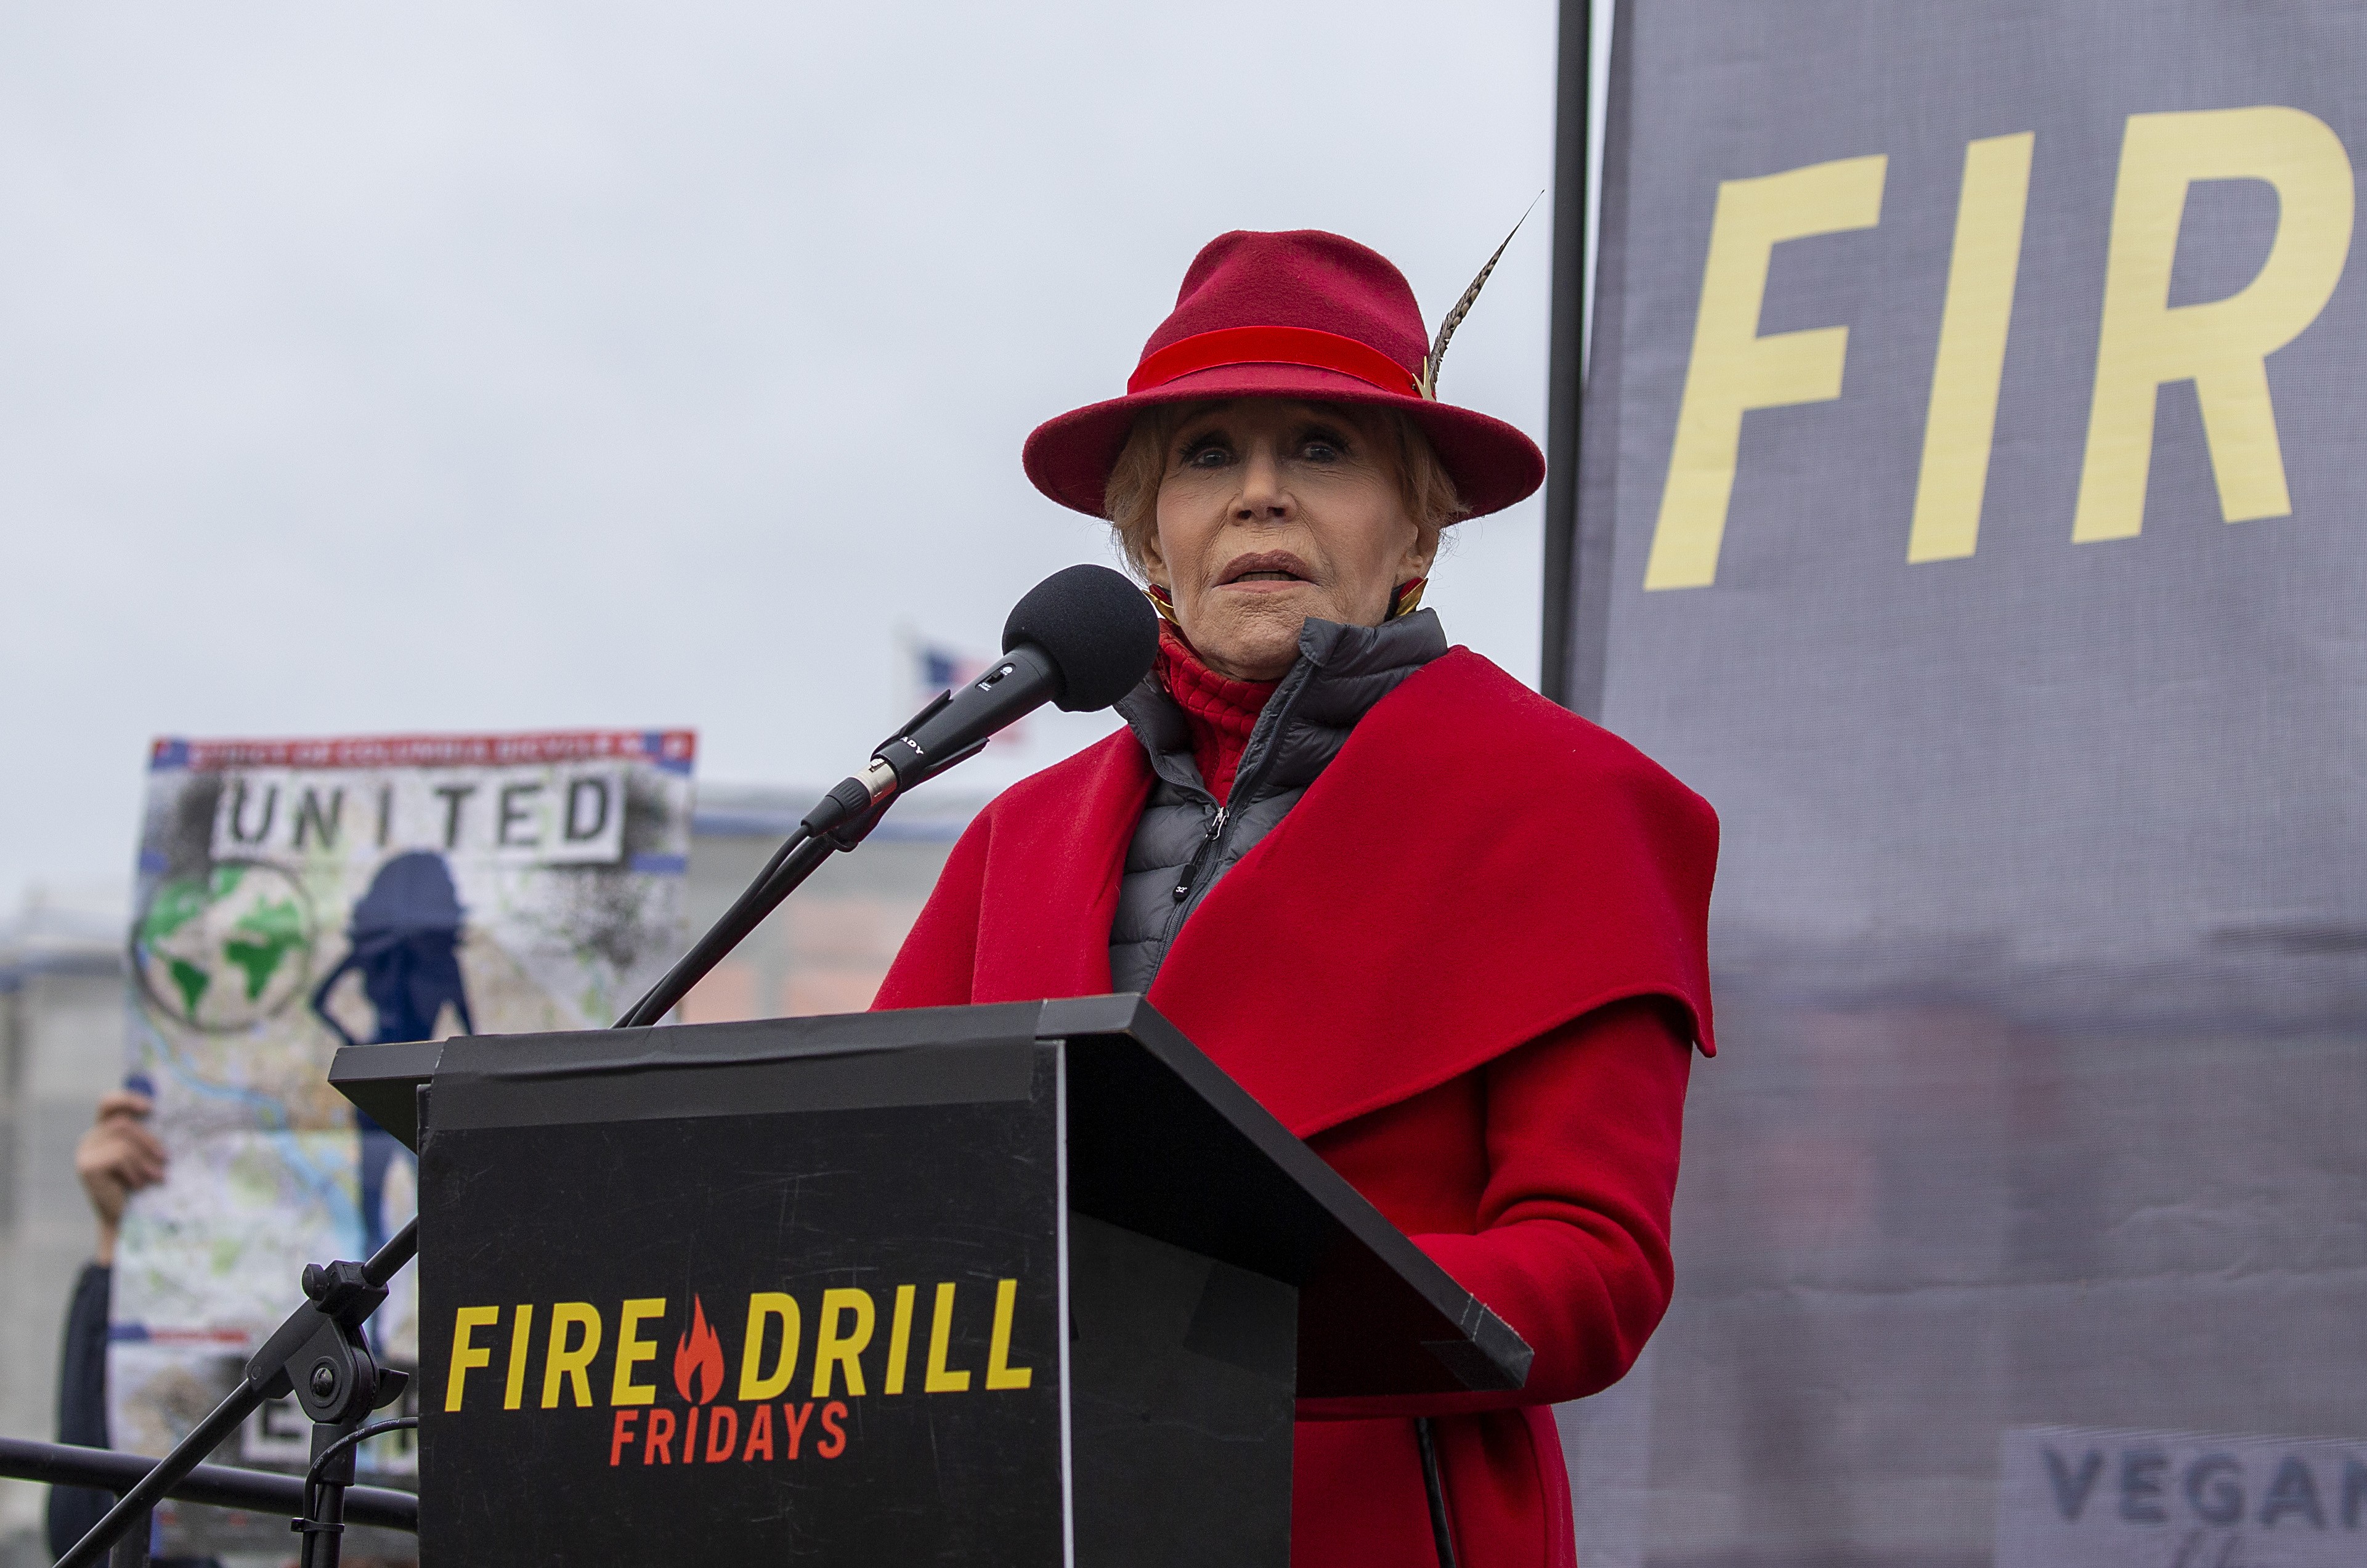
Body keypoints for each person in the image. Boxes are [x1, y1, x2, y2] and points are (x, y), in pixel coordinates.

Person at [872, 229, 1718, 1567]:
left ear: (1417, 528)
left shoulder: (1574, 807)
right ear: (1150, 537)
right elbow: (865, 1194)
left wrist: (1203, 1316)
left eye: (1320, 448)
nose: (1260, 495)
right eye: (1208, 455)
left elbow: (1594, 1273)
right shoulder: (1008, 838)